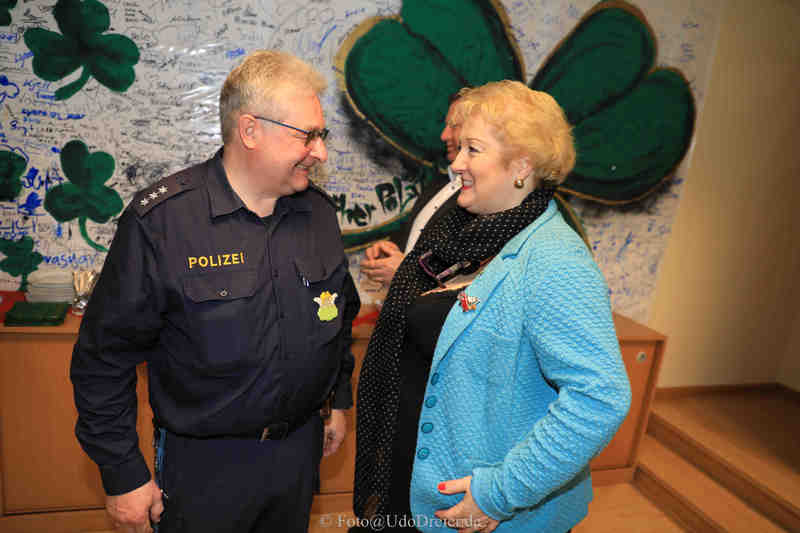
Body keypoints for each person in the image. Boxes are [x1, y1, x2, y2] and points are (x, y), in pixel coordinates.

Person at [71, 50, 360, 533]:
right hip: (204, 468)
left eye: (321, 135)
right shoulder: (163, 222)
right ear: (250, 131)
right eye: (306, 135)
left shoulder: (318, 215)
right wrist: (122, 474)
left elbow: (337, 316)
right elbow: (103, 360)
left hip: (298, 457)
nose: (320, 151)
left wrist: (338, 400)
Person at [353, 81, 631, 532]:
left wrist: (498, 494)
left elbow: (599, 399)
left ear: (521, 165)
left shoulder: (556, 260)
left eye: (473, 150)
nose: (457, 163)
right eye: (459, 147)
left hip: (482, 510)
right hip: (413, 482)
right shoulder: (465, 236)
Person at [359, 95, 463, 285]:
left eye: (454, 125)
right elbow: (413, 241)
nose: (444, 135)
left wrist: (406, 274)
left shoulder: (481, 199)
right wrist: (389, 248)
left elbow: (466, 285)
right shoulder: (439, 183)